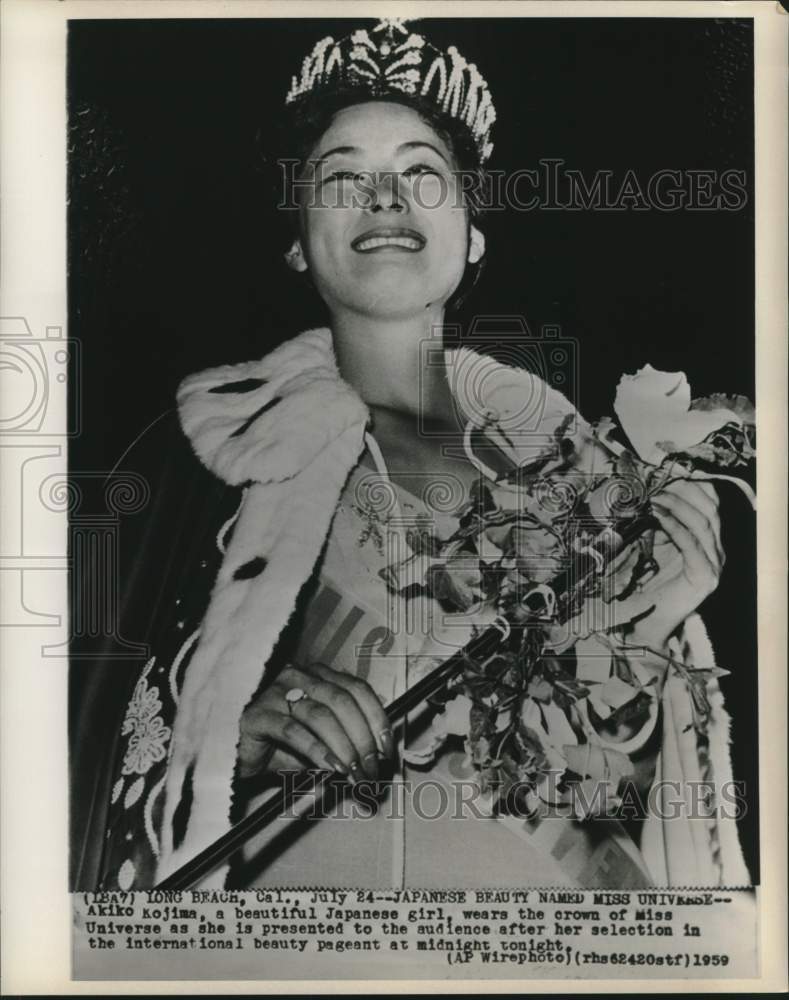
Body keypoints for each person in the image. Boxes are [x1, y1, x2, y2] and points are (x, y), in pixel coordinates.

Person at [73, 17, 751, 892]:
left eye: (422, 174)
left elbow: (616, 810)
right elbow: (69, 742)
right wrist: (223, 737)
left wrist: (646, 639)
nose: (384, 197)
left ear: (471, 235)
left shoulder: (584, 479)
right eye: (343, 175)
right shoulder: (196, 466)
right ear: (294, 238)